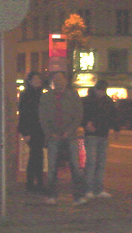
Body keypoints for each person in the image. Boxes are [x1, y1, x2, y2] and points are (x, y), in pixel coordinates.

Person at [39, 70, 87, 205]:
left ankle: (78, 196)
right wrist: (49, 133)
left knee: (75, 167)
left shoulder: (73, 96)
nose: (58, 81)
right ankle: (52, 195)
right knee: (52, 167)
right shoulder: (46, 97)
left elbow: (78, 115)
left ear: (66, 81)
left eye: (60, 79)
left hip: (70, 136)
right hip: (53, 136)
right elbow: (42, 117)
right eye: (55, 79)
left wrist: (70, 130)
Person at [82, 80, 120, 199]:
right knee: (91, 162)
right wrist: (85, 123)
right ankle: (88, 189)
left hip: (103, 134)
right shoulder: (88, 100)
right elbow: (80, 114)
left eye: (103, 90)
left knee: (101, 162)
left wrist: (116, 129)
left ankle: (98, 189)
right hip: (91, 134)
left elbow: (113, 115)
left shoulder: (107, 101)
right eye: (100, 90)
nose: (101, 92)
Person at [18, 72, 45, 193]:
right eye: (35, 79)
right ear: (29, 81)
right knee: (35, 156)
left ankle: (36, 182)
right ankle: (33, 183)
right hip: (31, 130)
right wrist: (25, 132)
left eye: (39, 79)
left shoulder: (41, 94)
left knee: (38, 156)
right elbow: (24, 114)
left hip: (40, 130)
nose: (38, 81)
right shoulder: (26, 95)